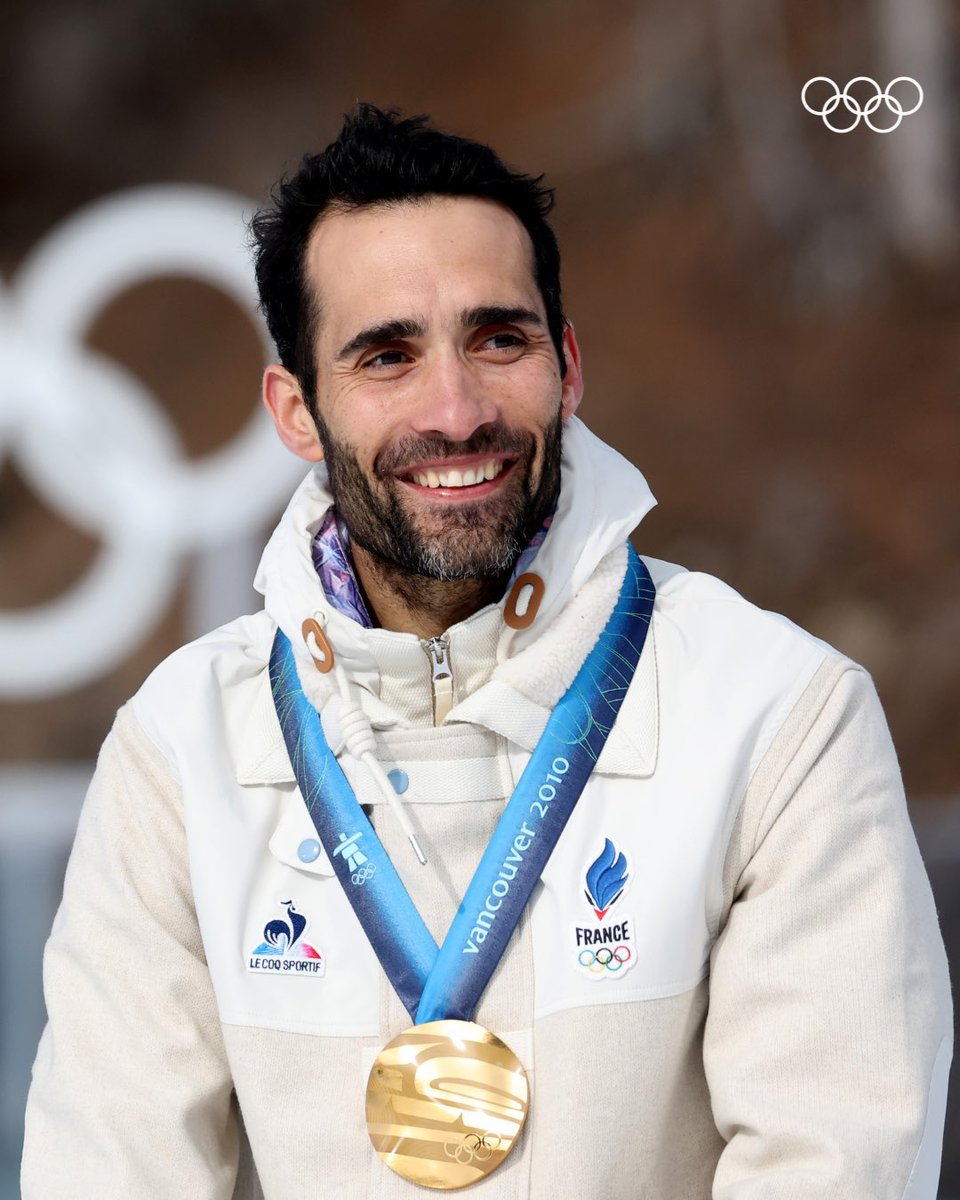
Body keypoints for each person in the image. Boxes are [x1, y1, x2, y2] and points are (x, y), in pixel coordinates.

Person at [22, 103, 952, 1199]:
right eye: (386, 355)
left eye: (498, 338)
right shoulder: (182, 749)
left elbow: (834, 1164)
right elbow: (113, 1170)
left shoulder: (777, 714)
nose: (456, 410)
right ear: (297, 412)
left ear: (568, 366)